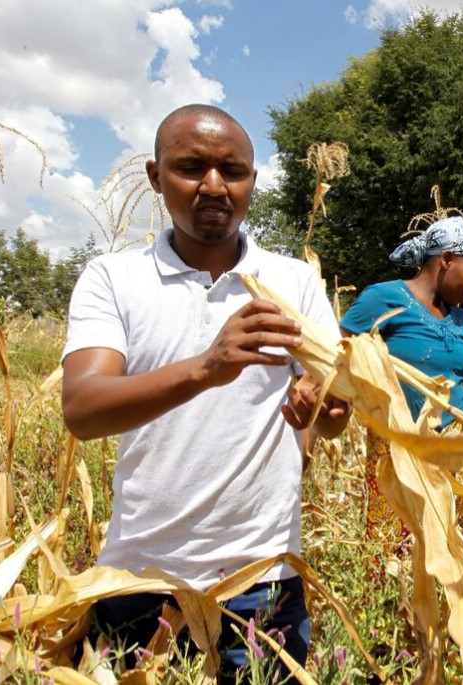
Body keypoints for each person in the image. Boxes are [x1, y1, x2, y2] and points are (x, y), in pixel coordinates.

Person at [61, 103, 349, 681]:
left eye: (233, 171)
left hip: (262, 581)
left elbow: (333, 409)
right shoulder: (113, 279)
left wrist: (322, 406)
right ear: (155, 176)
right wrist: (206, 367)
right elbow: (84, 409)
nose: (214, 186)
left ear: (251, 181)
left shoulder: (293, 281)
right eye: (191, 167)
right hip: (141, 580)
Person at [339, 215, 463, 543]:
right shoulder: (382, 299)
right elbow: (336, 356)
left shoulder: (460, 320)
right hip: (399, 458)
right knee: (399, 564)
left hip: (458, 458)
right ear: (446, 260)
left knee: (460, 557)